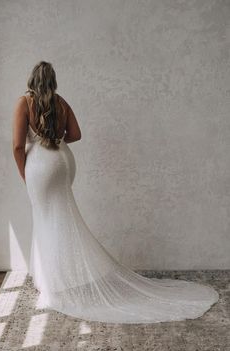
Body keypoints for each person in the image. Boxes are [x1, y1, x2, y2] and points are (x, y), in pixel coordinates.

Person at [12, 61, 219, 324]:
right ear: (53, 81)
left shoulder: (24, 102)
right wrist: (57, 137)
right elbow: (75, 134)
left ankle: (54, 282)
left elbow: (18, 147)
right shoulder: (61, 102)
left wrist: (25, 174)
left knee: (46, 218)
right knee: (60, 217)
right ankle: (61, 278)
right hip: (63, 162)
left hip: (42, 167)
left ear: (32, 79)